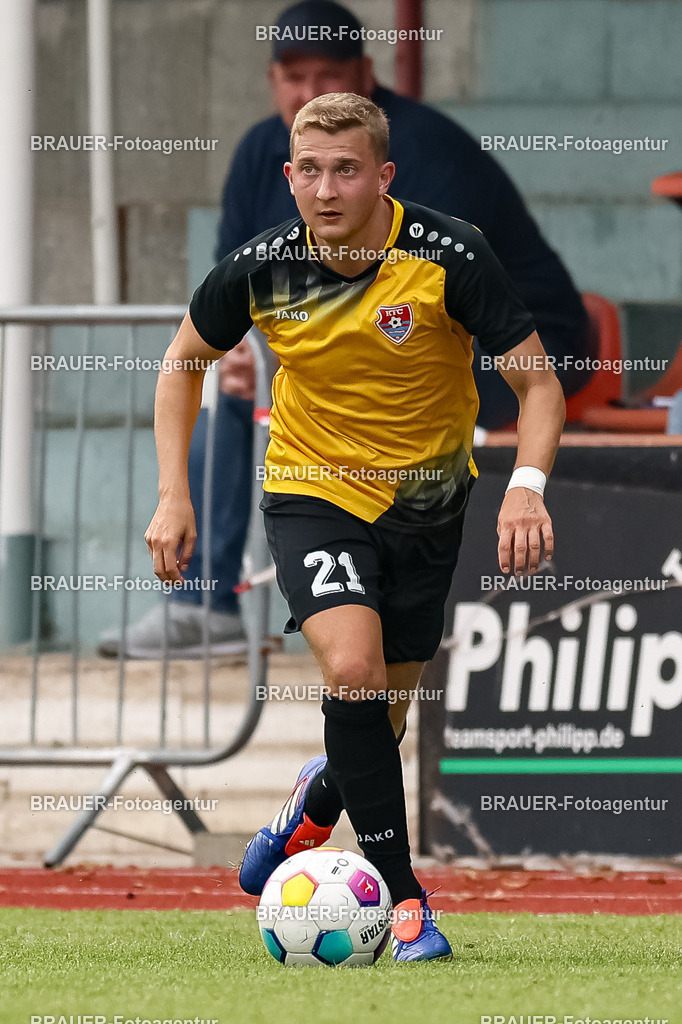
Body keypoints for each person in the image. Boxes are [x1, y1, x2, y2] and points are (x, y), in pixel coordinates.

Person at [144, 92, 565, 961]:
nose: (327, 189)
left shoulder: (449, 255)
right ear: (288, 176)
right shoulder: (259, 267)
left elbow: (539, 384)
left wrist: (527, 486)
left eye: (347, 170)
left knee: (379, 718)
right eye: (310, 171)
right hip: (312, 492)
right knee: (352, 669)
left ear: (384, 176)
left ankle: (316, 802)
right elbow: (183, 361)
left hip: (427, 508)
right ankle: (407, 905)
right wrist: (171, 495)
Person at [99, 0, 588, 660]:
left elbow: (432, 302)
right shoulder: (257, 154)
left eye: (328, 76)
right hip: (350, 357)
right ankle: (206, 602)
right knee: (222, 386)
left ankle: (379, 623)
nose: (309, 93)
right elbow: (234, 293)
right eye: (293, 78)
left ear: (364, 75)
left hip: (496, 350)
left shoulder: (424, 148)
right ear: (273, 81)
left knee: (385, 669)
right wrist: (246, 351)